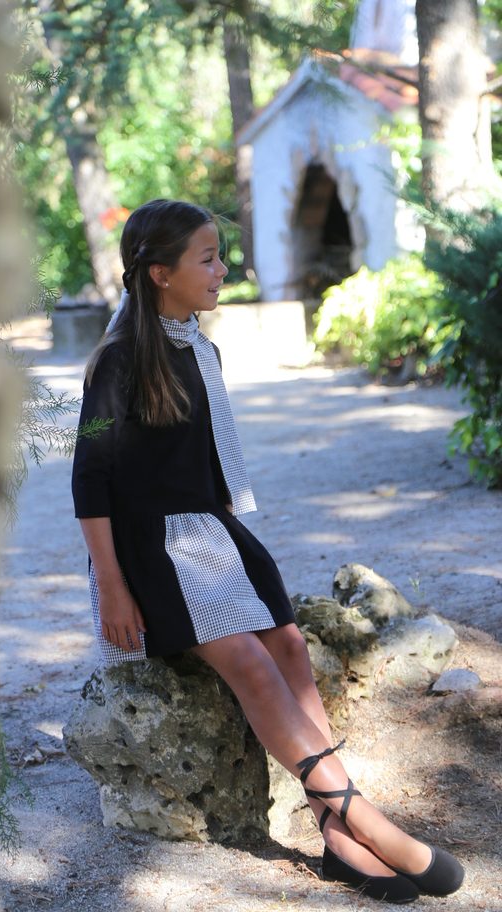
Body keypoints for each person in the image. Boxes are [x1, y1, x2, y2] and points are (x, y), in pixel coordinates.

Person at [71, 198, 464, 904]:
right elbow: (89, 477)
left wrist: (234, 551)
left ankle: (337, 838)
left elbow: (208, 467)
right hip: (150, 551)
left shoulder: (202, 348)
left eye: (221, 257)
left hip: (209, 536)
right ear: (160, 273)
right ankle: (362, 817)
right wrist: (112, 586)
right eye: (208, 259)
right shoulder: (115, 363)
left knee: (287, 643)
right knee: (252, 663)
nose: (223, 270)